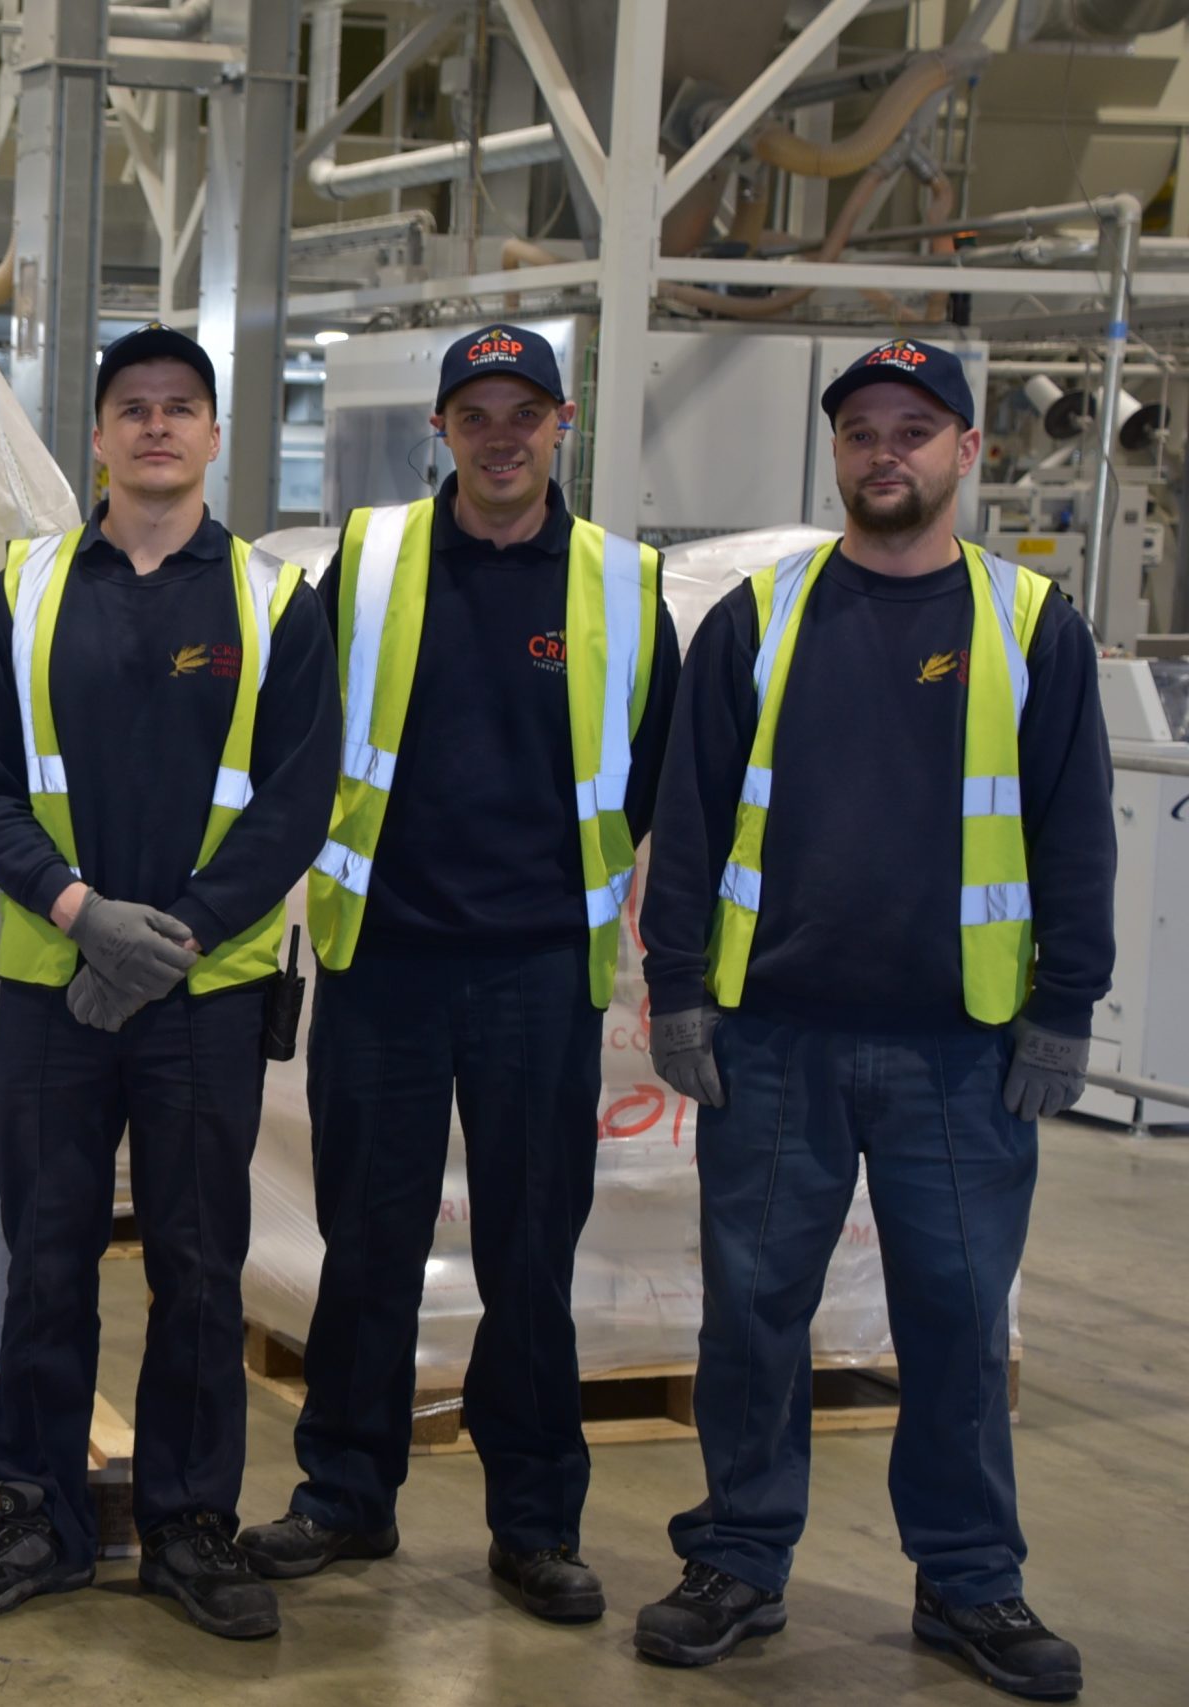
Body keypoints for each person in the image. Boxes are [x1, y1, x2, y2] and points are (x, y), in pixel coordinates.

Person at [631, 338, 1111, 1702]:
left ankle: (969, 1583)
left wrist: (1064, 1007)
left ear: (968, 452)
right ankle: (735, 1558)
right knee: (755, 1316)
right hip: (774, 1039)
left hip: (961, 1050)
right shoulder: (762, 619)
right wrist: (679, 992)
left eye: (915, 430)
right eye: (861, 432)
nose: (884, 454)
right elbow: (691, 814)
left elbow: (1074, 833)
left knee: (957, 1321)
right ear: (835, 454)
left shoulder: (1030, 625)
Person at [238, 324, 677, 1624]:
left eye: (523, 413)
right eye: (475, 413)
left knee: (532, 1258)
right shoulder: (367, 566)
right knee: (365, 1242)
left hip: (541, 972)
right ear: (441, 430)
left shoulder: (621, 582)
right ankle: (344, 1497)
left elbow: (657, 771)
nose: (500, 435)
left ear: (563, 423)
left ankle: (536, 1524)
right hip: (387, 962)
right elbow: (289, 731)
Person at [0, 324, 339, 1640]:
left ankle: (188, 1525)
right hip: (51, 995)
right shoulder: (25, 592)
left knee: (200, 1268)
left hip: (205, 1004)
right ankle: (37, 1519)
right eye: (132, 409)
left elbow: (296, 800)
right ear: (97, 439)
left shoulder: (277, 604)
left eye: (182, 408)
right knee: (45, 1260)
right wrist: (79, 911)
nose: (157, 428)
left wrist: (178, 938)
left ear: (215, 437)